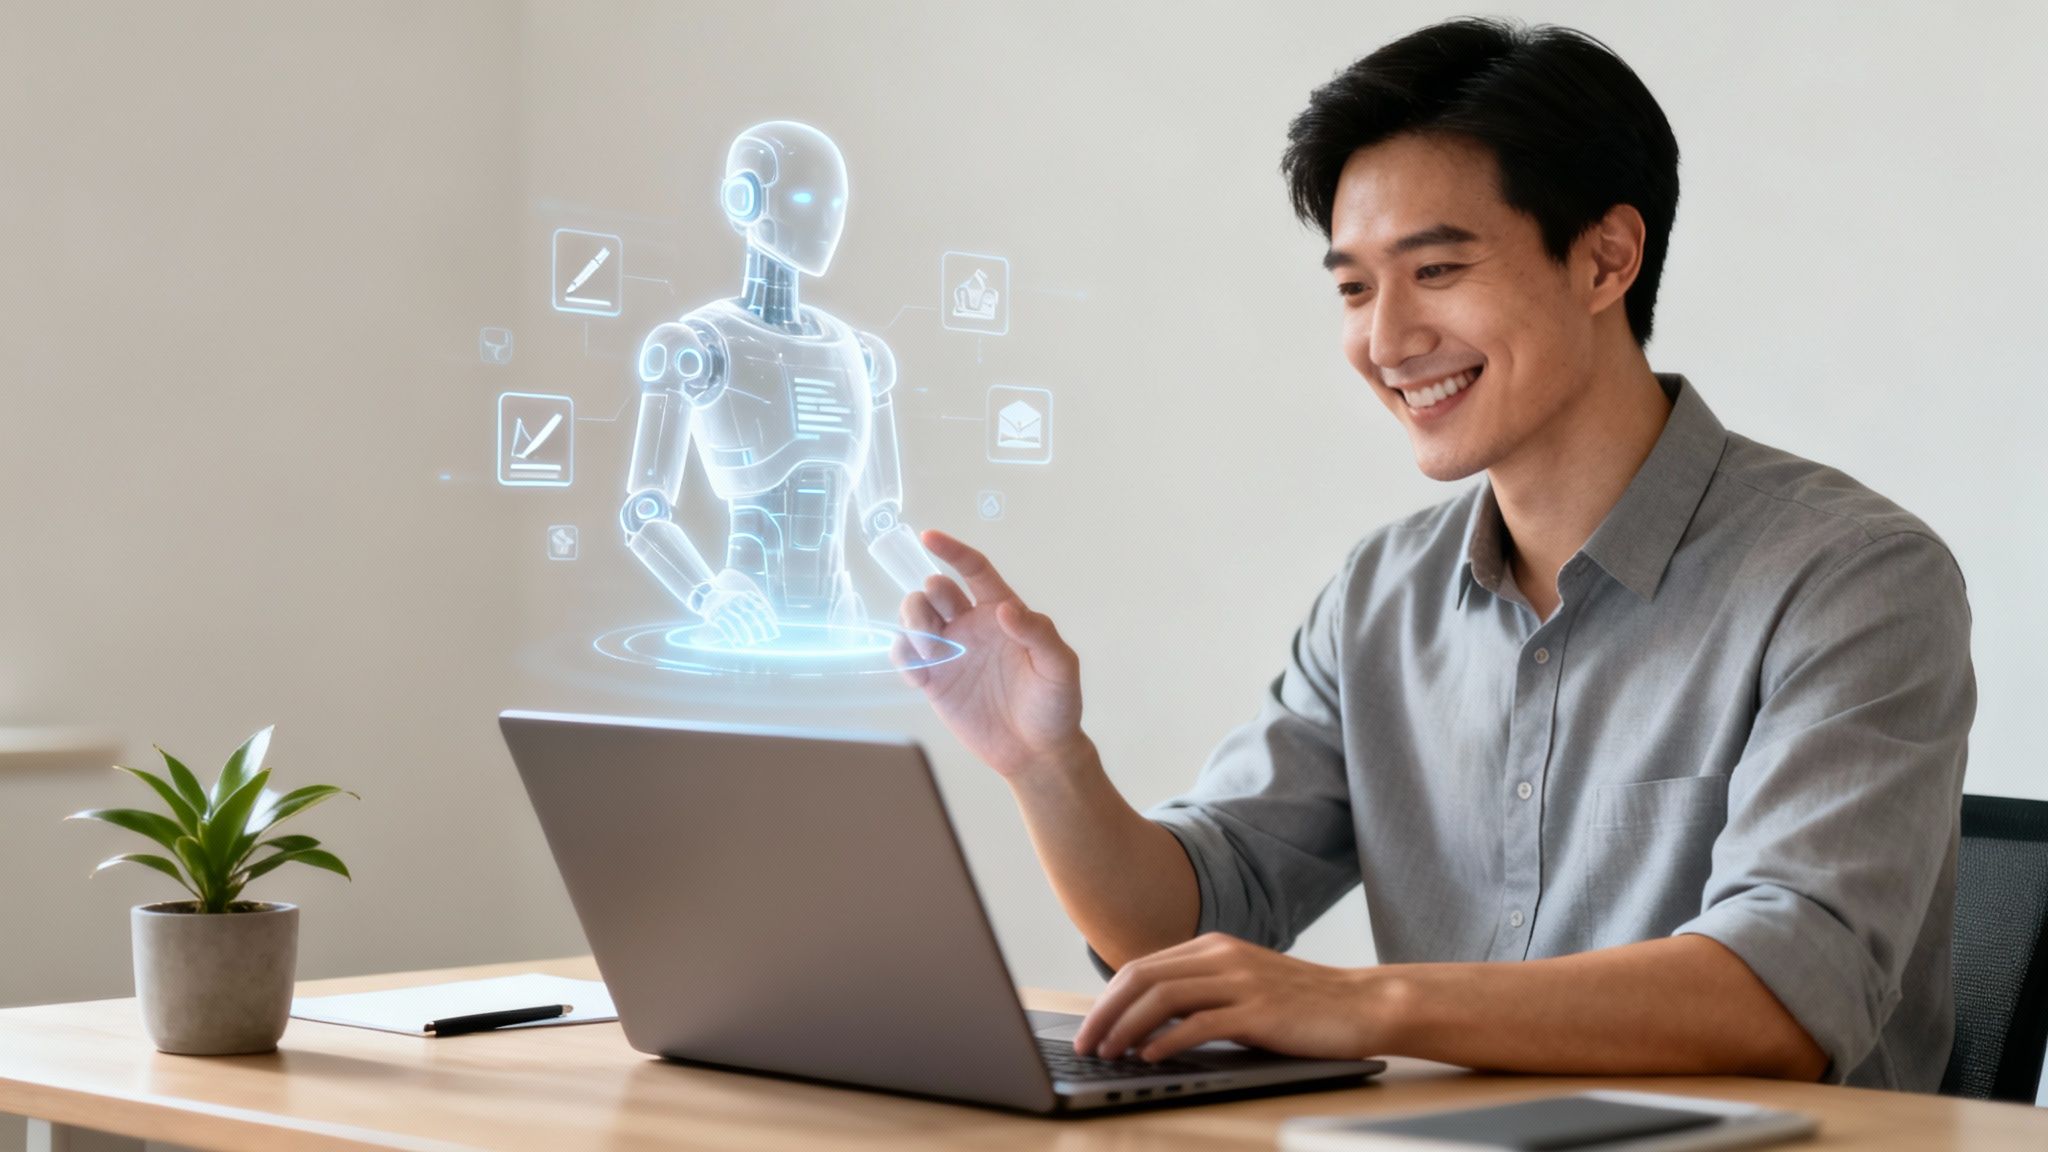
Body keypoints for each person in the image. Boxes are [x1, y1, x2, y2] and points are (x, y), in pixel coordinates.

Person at [894, 17, 1974, 1091]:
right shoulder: (1381, 595)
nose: (1384, 339)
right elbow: (1182, 922)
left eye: (1437, 269)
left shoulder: (1852, 578)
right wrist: (1047, 766)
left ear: (1605, 258)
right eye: (1354, 288)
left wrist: (1360, 1003)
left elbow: (1781, 996)